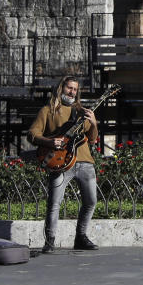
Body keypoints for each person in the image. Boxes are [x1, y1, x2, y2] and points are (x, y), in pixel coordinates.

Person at [28, 75, 99, 253]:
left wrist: (94, 122)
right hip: (60, 162)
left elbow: (92, 139)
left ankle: (81, 237)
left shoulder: (82, 112)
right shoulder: (48, 111)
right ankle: (50, 241)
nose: (72, 92)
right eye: (69, 88)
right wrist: (49, 142)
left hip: (85, 162)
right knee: (54, 204)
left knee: (91, 201)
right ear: (61, 89)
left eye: (75, 89)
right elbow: (32, 134)